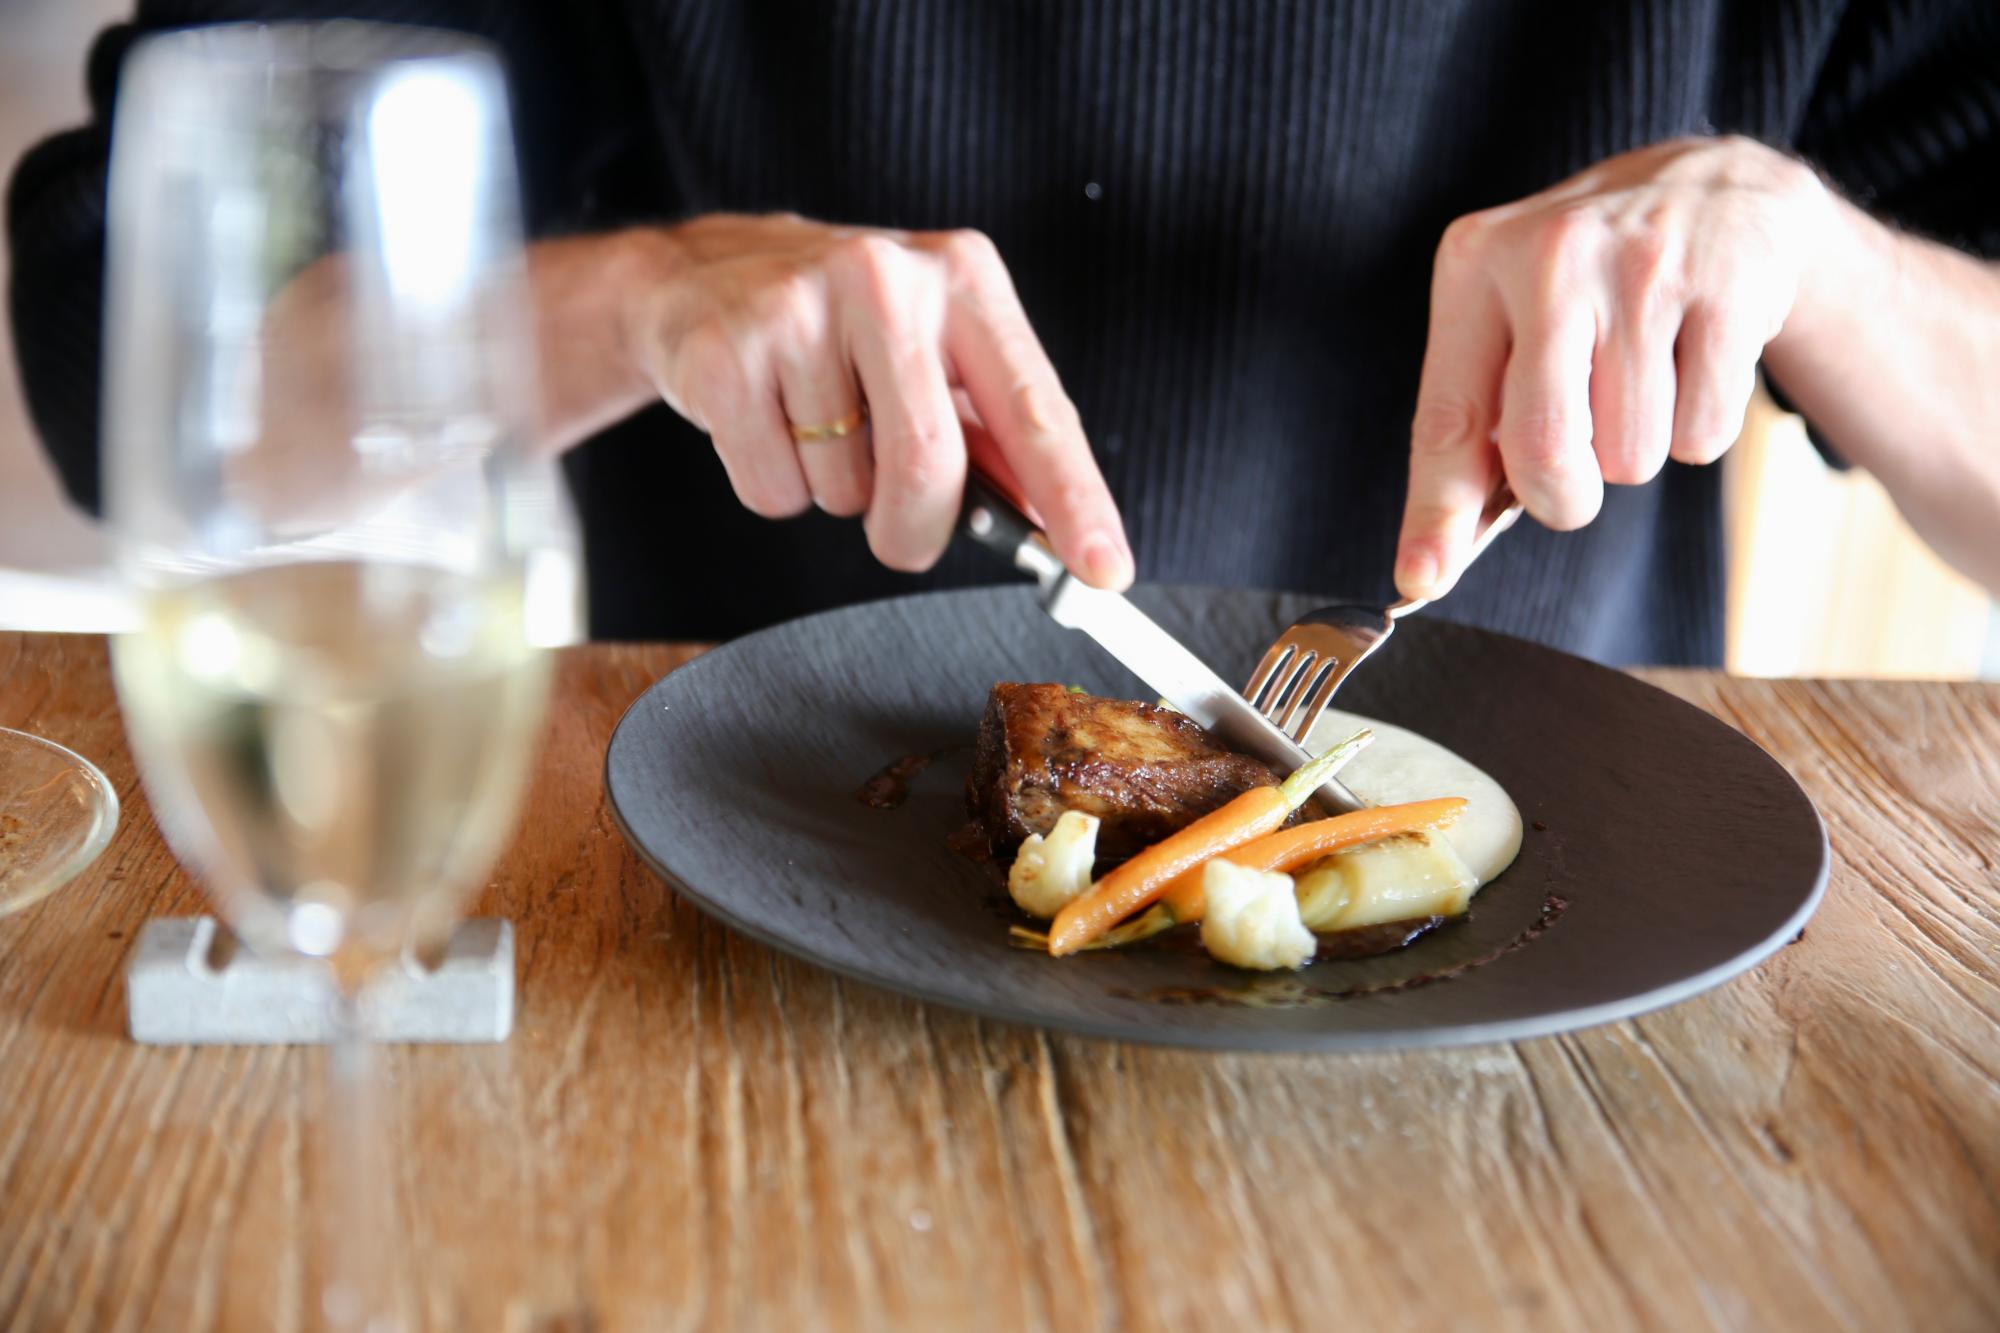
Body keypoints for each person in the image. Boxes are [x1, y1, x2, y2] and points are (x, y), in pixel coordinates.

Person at [10, 1, 1998, 660]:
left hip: (1575, 998)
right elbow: (152, 370)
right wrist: (644, 292)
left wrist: (1822, 267)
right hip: (735, 965)